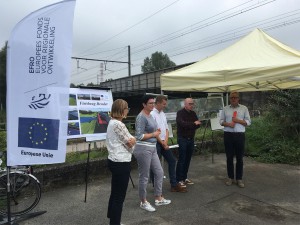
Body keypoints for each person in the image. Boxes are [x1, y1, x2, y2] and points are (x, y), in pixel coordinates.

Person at [133, 95, 171, 212]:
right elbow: (139, 136)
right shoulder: (141, 117)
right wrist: (154, 134)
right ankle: (143, 201)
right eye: (150, 103)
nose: (153, 105)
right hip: (143, 149)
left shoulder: (150, 115)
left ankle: (158, 197)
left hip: (152, 147)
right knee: (144, 176)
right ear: (144, 104)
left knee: (159, 172)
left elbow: (154, 131)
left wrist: (156, 133)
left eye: (153, 103)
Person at [106, 99, 136, 225]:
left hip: (114, 160)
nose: (128, 110)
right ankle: (115, 222)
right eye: (126, 108)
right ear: (122, 110)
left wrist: (132, 140)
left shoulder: (112, 122)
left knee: (115, 193)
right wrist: (133, 139)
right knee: (119, 196)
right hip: (121, 162)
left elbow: (128, 140)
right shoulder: (118, 124)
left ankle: (112, 218)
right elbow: (129, 142)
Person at [150, 95, 187, 193]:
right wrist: (162, 143)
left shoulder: (162, 114)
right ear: (157, 103)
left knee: (172, 160)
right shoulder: (152, 114)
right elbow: (154, 131)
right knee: (155, 165)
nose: (165, 106)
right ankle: (156, 186)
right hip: (156, 143)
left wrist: (165, 141)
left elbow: (166, 129)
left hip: (163, 143)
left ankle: (173, 185)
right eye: (163, 104)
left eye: (165, 104)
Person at [219, 91, 251, 188]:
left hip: (240, 135)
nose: (233, 99)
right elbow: (220, 121)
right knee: (229, 157)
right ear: (230, 99)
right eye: (232, 97)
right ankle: (230, 177)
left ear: (238, 99)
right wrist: (228, 124)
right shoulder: (225, 109)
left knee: (239, 158)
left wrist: (238, 121)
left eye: (235, 97)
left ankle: (239, 179)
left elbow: (249, 122)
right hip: (228, 135)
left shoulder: (244, 108)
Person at [176, 98, 201, 187]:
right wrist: (193, 124)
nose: (192, 105)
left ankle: (184, 177)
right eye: (190, 104)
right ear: (185, 104)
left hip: (191, 139)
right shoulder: (180, 113)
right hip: (182, 139)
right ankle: (179, 179)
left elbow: (198, 124)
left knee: (188, 159)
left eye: (192, 104)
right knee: (182, 159)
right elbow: (182, 124)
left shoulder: (193, 113)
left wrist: (191, 125)